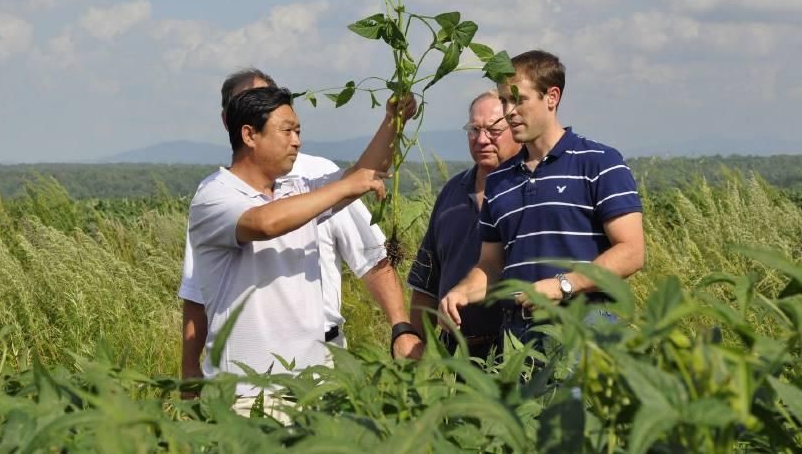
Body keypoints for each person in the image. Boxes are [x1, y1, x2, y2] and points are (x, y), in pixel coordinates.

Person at [180, 70, 422, 390]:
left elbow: (366, 173)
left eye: (298, 131)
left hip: (312, 385)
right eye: (287, 131)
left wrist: (394, 120)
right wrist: (345, 187)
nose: (297, 141)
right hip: (245, 391)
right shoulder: (214, 195)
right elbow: (265, 224)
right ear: (249, 135)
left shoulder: (298, 189)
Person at [439, 50, 644, 344]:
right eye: (505, 101)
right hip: (516, 336)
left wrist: (563, 285)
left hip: (586, 326)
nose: (509, 111)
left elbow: (632, 252)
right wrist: (462, 291)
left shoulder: (599, 162)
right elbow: (492, 265)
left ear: (551, 97)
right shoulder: (500, 180)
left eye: (518, 99)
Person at [407, 91, 521, 359]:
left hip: (515, 353)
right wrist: (416, 345)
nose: (482, 140)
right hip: (456, 354)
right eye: (474, 129)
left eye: (494, 130)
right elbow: (427, 282)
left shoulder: (532, 191)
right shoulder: (452, 193)